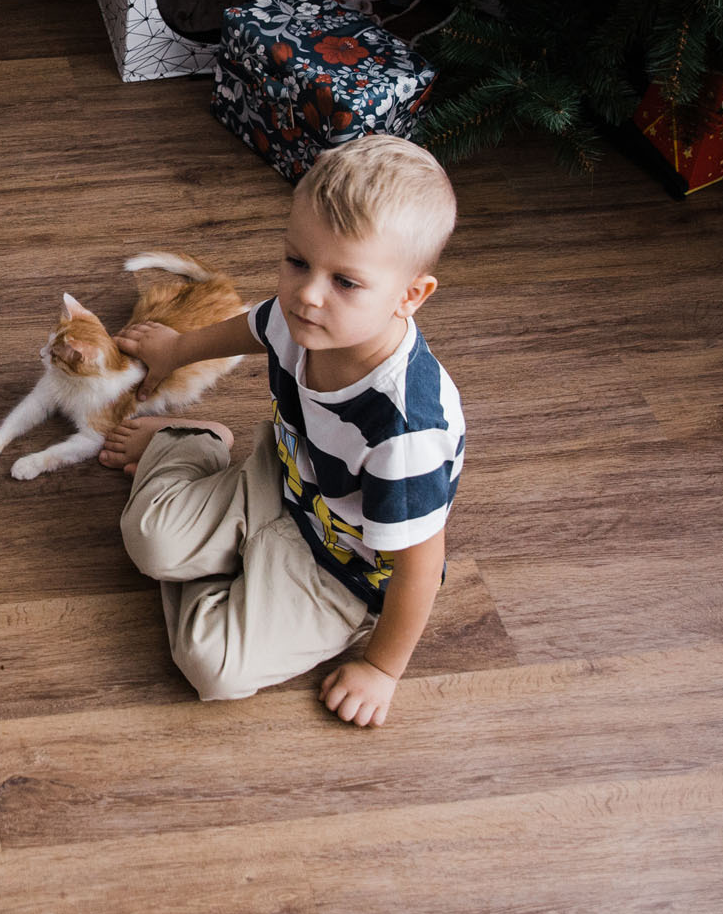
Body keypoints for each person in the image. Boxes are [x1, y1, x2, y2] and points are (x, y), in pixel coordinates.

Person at [97, 135, 464, 724]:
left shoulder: (405, 433)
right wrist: (177, 350)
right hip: (283, 478)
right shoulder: (301, 318)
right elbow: (254, 326)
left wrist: (381, 668)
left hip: (343, 567)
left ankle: (239, 578)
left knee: (209, 665)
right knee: (147, 538)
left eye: (346, 281)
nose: (307, 295)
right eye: (297, 261)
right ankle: (193, 441)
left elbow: (421, 570)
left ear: (410, 296)